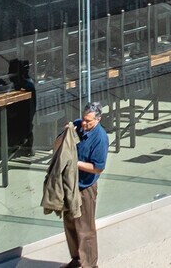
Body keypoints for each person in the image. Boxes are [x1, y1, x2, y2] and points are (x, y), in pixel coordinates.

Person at [64, 103, 110, 268]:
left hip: (85, 187)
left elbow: (98, 167)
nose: (84, 124)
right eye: (83, 119)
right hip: (70, 183)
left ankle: (90, 264)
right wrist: (65, 134)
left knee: (85, 228)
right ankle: (76, 259)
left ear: (98, 120)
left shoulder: (100, 138)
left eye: (88, 121)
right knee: (69, 222)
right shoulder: (77, 125)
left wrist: (75, 163)